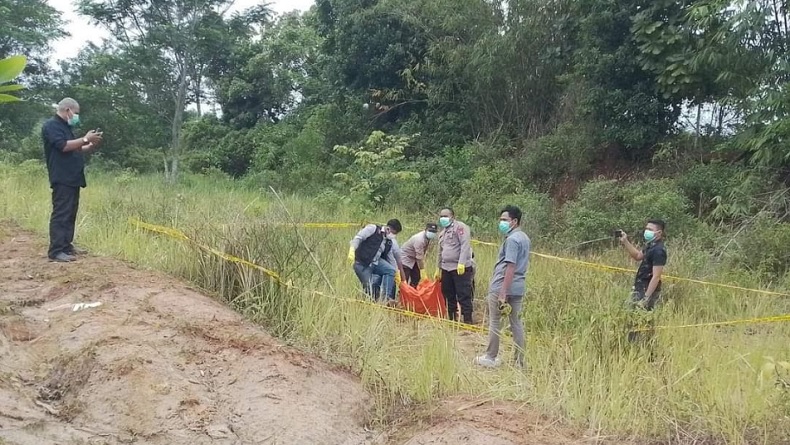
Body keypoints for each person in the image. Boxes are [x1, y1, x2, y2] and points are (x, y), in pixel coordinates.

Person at [42, 98, 103, 262]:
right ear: (67, 110)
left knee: (70, 212)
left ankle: (66, 246)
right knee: (61, 213)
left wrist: (89, 145)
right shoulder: (51, 126)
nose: (76, 117)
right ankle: (56, 251)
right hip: (61, 177)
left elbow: (73, 148)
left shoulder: (66, 127)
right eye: (76, 113)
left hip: (73, 177)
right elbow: (63, 146)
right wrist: (85, 139)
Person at [475, 206, 531, 369]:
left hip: (502, 285)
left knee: (494, 321)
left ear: (514, 221)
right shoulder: (525, 238)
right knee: (516, 323)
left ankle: (490, 356)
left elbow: (510, 266)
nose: (501, 222)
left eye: (505, 220)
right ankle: (519, 361)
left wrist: (503, 292)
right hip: (519, 286)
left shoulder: (512, 240)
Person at [618, 219, 668, 311]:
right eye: (646, 229)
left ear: (659, 232)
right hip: (639, 288)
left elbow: (656, 277)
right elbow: (637, 256)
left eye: (650, 229)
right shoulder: (650, 245)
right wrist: (625, 241)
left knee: (642, 318)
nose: (647, 232)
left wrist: (646, 298)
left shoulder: (659, 251)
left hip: (647, 290)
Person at [348, 219, 403, 302]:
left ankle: (385, 299)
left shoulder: (388, 242)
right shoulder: (372, 229)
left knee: (390, 270)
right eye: (394, 232)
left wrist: (396, 273)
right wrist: (352, 249)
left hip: (376, 262)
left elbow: (391, 258)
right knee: (370, 290)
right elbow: (358, 238)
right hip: (362, 264)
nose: (394, 235)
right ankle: (366, 300)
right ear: (388, 228)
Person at [436, 207, 475, 323]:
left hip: (460, 268)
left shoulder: (460, 228)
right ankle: (452, 318)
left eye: (446, 216)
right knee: (448, 293)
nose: (443, 218)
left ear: (452, 217)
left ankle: (467, 320)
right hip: (446, 268)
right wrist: (438, 269)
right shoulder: (442, 233)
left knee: (463, 294)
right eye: (441, 216)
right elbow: (440, 252)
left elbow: (465, 245)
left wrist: (462, 263)